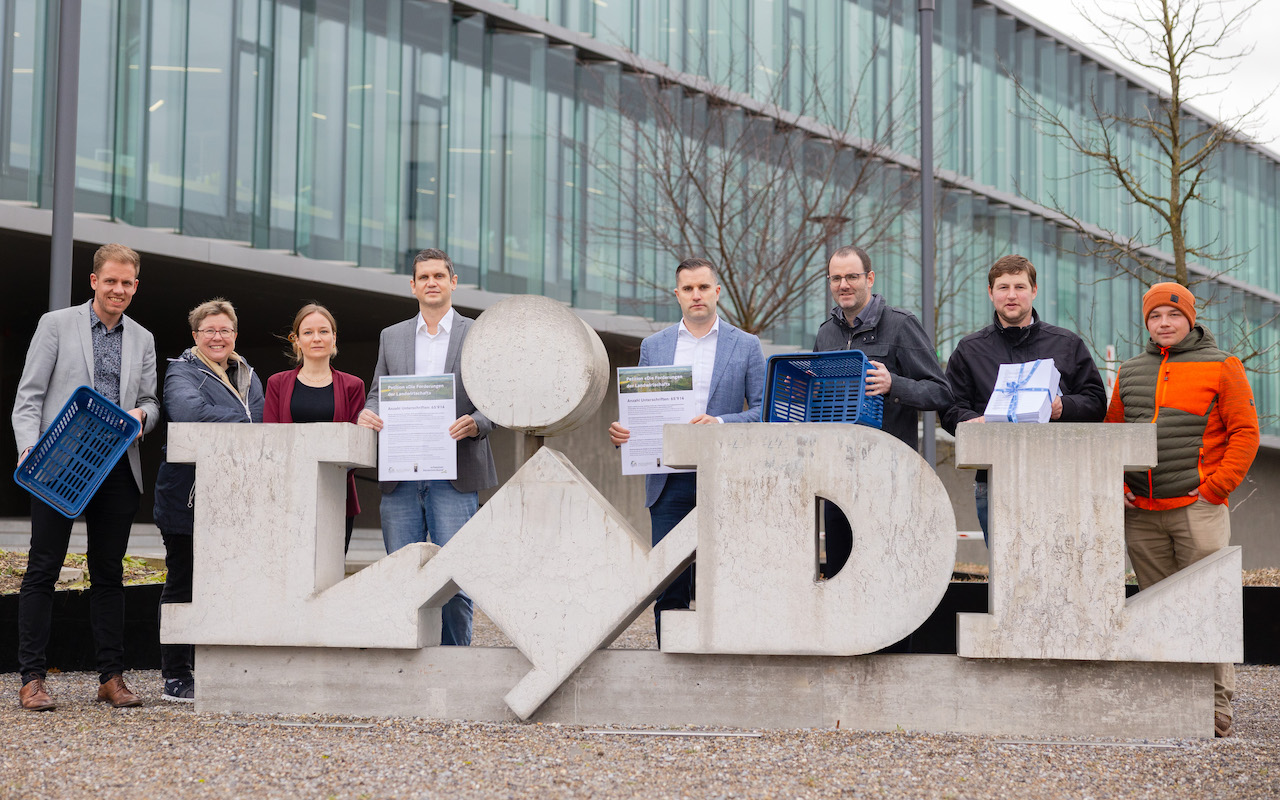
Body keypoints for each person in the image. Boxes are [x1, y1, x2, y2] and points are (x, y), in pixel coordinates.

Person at [1105, 282, 1259, 738]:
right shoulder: (1130, 371)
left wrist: (1215, 489)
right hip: (1142, 511)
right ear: (1147, 322)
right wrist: (1120, 486)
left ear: (1190, 319)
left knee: (1207, 604)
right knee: (1158, 607)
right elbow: (1112, 435)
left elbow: (1245, 433)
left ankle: (1215, 703)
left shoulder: (1223, 366)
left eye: (1173, 315)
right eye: (1155, 316)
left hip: (1198, 508)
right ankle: (1171, 701)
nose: (1164, 323)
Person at [12, 243, 159, 711]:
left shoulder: (143, 338)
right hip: (58, 463)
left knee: (109, 573)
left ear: (135, 286)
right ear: (94, 281)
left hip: (116, 466)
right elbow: (29, 397)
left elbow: (152, 402)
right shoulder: (56, 325)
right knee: (43, 568)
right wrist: (29, 449)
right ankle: (32, 679)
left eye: (127, 283)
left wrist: (142, 415)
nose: (118, 289)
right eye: (110, 280)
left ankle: (111, 678)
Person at [608, 258, 766, 644]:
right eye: (689, 289)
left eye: (703, 287)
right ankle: (669, 664)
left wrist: (721, 422)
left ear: (717, 292)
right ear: (677, 294)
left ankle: (721, 661)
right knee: (670, 585)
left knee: (723, 581)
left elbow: (765, 411)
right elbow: (639, 410)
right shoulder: (654, 346)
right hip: (668, 481)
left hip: (724, 479)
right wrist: (623, 432)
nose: (697, 295)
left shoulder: (746, 345)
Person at [356, 248, 497, 647]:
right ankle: (407, 658)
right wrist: (369, 412)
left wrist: (477, 422)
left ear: (453, 282)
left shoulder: (477, 333)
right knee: (402, 576)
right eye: (424, 277)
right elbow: (377, 392)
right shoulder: (391, 336)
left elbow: (495, 397)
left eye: (439, 276)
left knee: (455, 578)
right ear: (413, 286)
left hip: (456, 473)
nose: (431, 283)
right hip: (401, 473)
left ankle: (454, 662)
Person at [941, 254, 1106, 541]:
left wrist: (1063, 407)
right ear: (990, 293)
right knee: (1004, 565)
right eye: (1003, 287)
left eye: (1019, 287)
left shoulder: (1067, 344)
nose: (1011, 295)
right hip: (994, 479)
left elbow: (1096, 402)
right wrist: (974, 422)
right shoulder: (969, 349)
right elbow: (949, 408)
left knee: (1060, 560)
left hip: (1060, 477)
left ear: (1034, 290)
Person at [813, 244, 952, 577]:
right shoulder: (825, 333)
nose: (843, 285)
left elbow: (941, 392)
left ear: (870, 278)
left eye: (852, 277)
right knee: (839, 574)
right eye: (836, 278)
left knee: (886, 576)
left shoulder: (901, 325)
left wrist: (894, 385)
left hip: (888, 475)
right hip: (837, 477)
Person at [152, 298, 265, 702]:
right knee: (183, 582)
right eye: (209, 330)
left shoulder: (248, 373)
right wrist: (245, 421)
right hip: (186, 496)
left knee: (229, 583)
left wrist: (244, 421)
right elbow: (189, 414)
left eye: (225, 330)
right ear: (195, 335)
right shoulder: (180, 371)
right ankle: (175, 674)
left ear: (235, 334)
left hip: (235, 497)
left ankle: (221, 668)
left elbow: (265, 420)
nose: (218, 337)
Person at [264, 304, 366, 552]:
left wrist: (328, 477)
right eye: (308, 332)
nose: (317, 338)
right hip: (287, 494)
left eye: (323, 331)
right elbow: (270, 440)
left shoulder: (353, 386)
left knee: (330, 570)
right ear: (297, 340)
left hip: (336, 494)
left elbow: (356, 445)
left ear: (334, 338)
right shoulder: (277, 383)